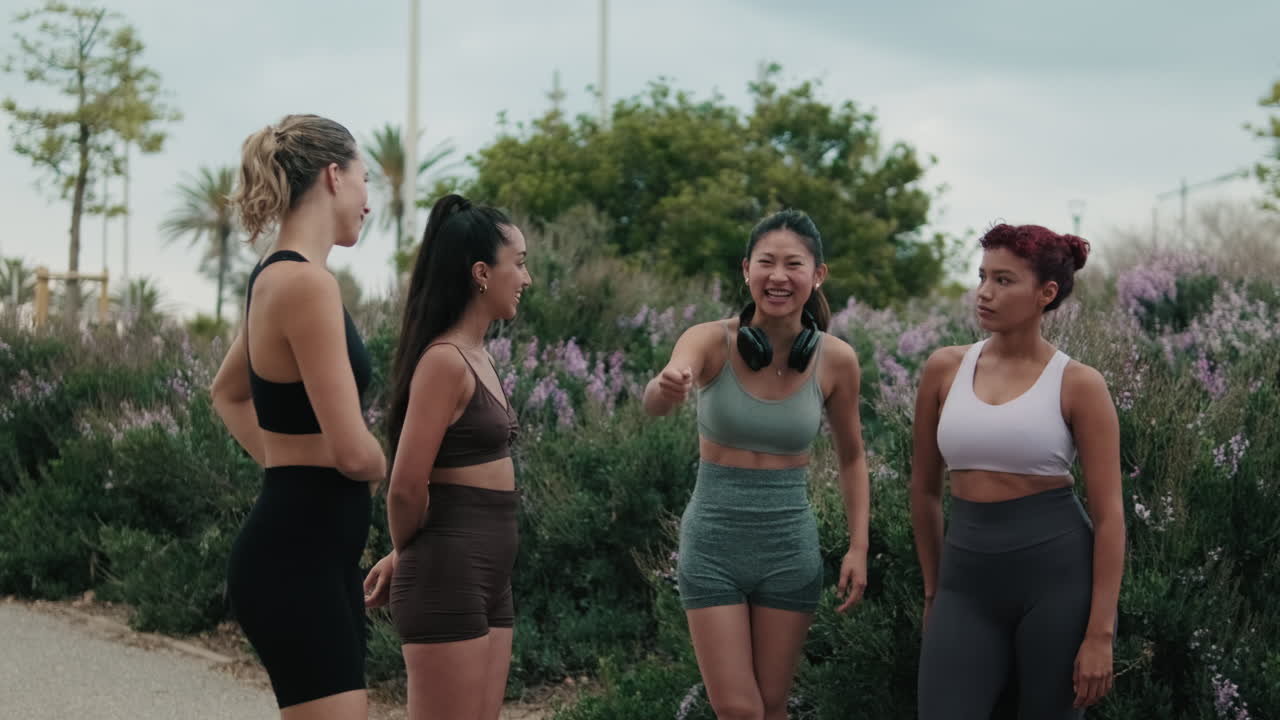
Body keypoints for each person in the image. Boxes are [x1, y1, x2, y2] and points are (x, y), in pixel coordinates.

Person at [642, 209, 870, 720]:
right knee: (739, 709)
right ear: (746, 270)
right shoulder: (709, 341)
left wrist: (859, 545)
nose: (778, 276)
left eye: (794, 264)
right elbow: (656, 400)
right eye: (766, 262)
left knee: (771, 708)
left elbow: (853, 456)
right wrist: (666, 386)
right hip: (713, 545)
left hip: (789, 548)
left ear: (818, 274)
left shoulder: (837, 360)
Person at [910, 223, 1125, 719]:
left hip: (1057, 584)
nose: (984, 293)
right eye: (982, 276)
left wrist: (1099, 633)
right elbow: (923, 492)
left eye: (1004, 281)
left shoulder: (1079, 385)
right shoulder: (944, 369)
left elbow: (1110, 517)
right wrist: (933, 590)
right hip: (964, 586)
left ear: (1045, 294)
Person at [211, 114, 386, 718]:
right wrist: (393, 464)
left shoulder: (277, 277)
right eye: (366, 181)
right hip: (298, 554)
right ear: (335, 176)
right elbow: (352, 450)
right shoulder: (306, 286)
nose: (368, 202)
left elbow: (226, 393)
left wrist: (284, 459)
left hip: (308, 546)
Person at [361, 194, 531, 720]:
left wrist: (403, 552)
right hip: (447, 575)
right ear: (482, 273)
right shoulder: (444, 362)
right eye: (519, 264)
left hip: (489, 575)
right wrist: (410, 553)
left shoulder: (480, 356)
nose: (527, 278)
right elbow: (407, 487)